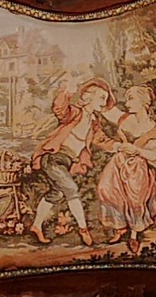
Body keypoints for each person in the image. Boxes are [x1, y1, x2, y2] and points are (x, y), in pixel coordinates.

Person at [31, 79, 112, 246]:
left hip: (67, 162)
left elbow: (103, 140)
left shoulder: (94, 122)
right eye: (101, 98)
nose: (104, 103)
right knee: (71, 189)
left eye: (105, 99)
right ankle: (83, 229)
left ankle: (36, 226)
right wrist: (64, 92)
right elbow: (60, 109)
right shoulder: (75, 112)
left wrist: (120, 147)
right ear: (89, 98)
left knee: (57, 193)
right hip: (53, 158)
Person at [94, 86, 156, 253]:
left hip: (138, 167)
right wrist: (98, 90)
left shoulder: (153, 130)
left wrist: (138, 150)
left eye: (131, 99)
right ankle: (119, 226)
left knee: (135, 199)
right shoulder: (124, 118)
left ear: (144, 102)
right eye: (127, 99)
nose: (127, 104)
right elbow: (106, 109)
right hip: (119, 162)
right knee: (105, 189)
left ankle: (134, 235)